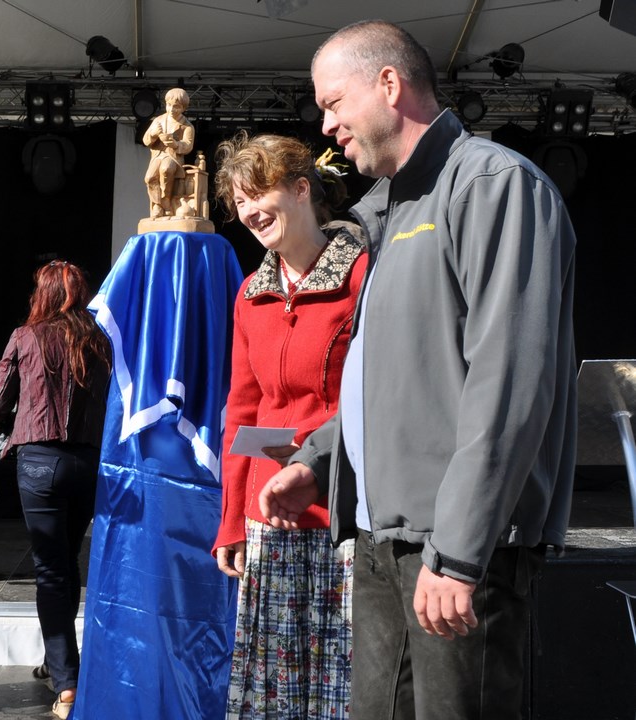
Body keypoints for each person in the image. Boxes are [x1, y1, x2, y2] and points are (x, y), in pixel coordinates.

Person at [259, 20, 577, 720]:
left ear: (390, 84)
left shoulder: (494, 187)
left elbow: (511, 383)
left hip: (459, 550)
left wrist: (460, 554)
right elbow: (392, 380)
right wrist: (318, 460)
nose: (327, 124)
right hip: (383, 546)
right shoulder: (391, 214)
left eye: (334, 103)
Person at [212, 132, 367, 719]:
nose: (250, 212)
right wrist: (230, 521)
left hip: (341, 515)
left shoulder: (362, 276)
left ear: (303, 190)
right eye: (240, 203)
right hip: (267, 522)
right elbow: (241, 412)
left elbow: (375, 395)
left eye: (260, 195)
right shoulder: (251, 293)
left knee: (342, 684)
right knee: (273, 690)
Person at [0, 260, 111, 720]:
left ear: (43, 294)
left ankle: (68, 684)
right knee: (70, 565)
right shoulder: (103, 339)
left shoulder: (26, 336)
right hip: (91, 463)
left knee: (52, 572)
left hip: (39, 462)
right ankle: (61, 661)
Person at [142, 87, 195, 219]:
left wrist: (176, 145)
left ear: (183, 108)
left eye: (176, 107)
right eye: (169, 105)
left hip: (173, 157)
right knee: (149, 177)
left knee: (166, 169)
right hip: (158, 155)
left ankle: (163, 203)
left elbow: (188, 145)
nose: (172, 109)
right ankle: (158, 203)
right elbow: (145, 140)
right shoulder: (158, 120)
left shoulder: (187, 126)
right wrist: (153, 134)